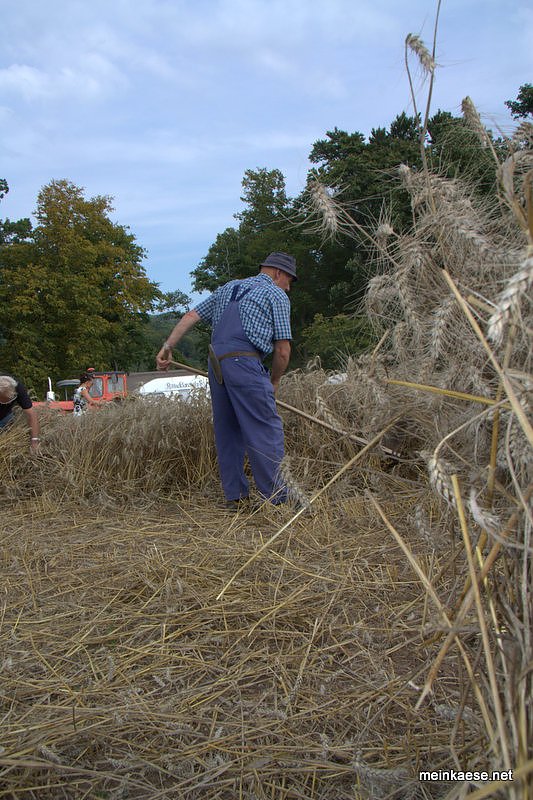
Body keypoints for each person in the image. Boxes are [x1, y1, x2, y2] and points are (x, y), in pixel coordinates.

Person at [156, 252, 297, 509]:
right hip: (244, 361)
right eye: (289, 280)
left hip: (217, 364)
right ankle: (278, 500)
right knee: (265, 428)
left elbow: (190, 316)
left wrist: (167, 346)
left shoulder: (228, 288)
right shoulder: (276, 295)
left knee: (228, 431)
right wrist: (274, 381)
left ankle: (236, 498)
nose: (289, 287)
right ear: (278, 273)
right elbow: (283, 351)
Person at [0, 374, 41, 451]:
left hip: (5, 416)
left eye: (10, 400)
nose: (8, 402)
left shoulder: (18, 387)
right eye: (5, 400)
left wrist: (34, 440)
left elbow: (31, 414)